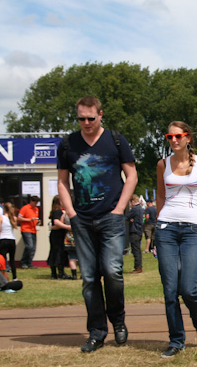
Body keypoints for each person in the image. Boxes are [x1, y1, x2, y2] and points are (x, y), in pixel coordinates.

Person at [57, 95, 138, 353]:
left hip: (111, 218)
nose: (86, 123)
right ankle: (97, 331)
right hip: (82, 218)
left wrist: (119, 209)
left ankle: (119, 321)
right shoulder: (68, 143)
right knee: (90, 278)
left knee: (112, 272)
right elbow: (62, 181)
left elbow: (132, 174)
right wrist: (71, 212)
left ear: (100, 114)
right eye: (81, 118)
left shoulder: (115, 139)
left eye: (91, 118)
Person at [155, 121, 197, 358]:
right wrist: (159, 222)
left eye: (178, 136)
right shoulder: (162, 164)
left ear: (188, 137)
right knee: (170, 290)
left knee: (188, 288)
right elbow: (160, 195)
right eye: (170, 136)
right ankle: (176, 340)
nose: (174, 140)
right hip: (166, 228)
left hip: (193, 229)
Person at [47, 195, 71, 280]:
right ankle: (60, 273)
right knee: (58, 253)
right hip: (57, 236)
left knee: (55, 252)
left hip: (55, 235)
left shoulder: (56, 211)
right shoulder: (58, 212)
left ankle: (54, 273)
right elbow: (56, 223)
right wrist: (67, 227)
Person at [18, 195, 40, 269]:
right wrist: (29, 220)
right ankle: (23, 262)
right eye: (35, 202)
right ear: (31, 201)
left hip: (33, 230)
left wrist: (37, 222)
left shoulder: (36, 209)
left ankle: (29, 262)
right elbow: (19, 218)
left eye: (37, 203)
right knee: (29, 246)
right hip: (26, 229)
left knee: (33, 248)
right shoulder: (25, 208)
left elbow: (35, 219)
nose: (36, 204)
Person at [0, 203, 19, 280]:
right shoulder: (14, 218)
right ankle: (15, 277)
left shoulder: (1, 218)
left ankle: (4, 278)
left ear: (4, 209)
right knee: (12, 260)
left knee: (2, 260)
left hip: (3, 239)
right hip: (12, 240)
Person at [127, 194, 144, 273]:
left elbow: (127, 217)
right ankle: (138, 266)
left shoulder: (134, 209)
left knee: (135, 250)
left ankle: (138, 267)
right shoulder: (140, 208)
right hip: (139, 230)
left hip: (134, 231)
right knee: (138, 250)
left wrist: (130, 218)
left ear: (133, 201)